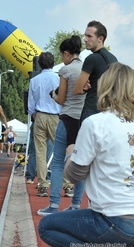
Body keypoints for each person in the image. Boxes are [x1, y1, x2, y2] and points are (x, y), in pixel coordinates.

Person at [38, 62, 134, 247]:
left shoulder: (96, 123)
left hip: (112, 220)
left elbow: (74, 175)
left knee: (47, 227)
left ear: (105, 86)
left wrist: (69, 154)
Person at [37, 36, 86, 216]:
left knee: (57, 162)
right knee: (81, 162)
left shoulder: (66, 70)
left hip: (67, 118)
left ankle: (54, 204)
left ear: (66, 53)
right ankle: (75, 204)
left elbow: (62, 99)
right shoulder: (87, 68)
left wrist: (53, 95)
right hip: (83, 120)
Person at [27, 52, 61, 197]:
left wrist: (34, 114)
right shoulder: (59, 78)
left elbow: (30, 103)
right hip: (56, 116)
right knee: (61, 150)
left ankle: (42, 185)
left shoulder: (34, 80)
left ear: (39, 64)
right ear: (53, 63)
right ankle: (67, 185)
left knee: (40, 152)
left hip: (40, 115)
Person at [74, 20, 117, 123]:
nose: (85, 39)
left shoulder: (92, 59)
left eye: (89, 36)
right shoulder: (114, 59)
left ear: (100, 39)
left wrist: (85, 89)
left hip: (92, 109)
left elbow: (77, 90)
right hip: (109, 111)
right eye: (85, 36)